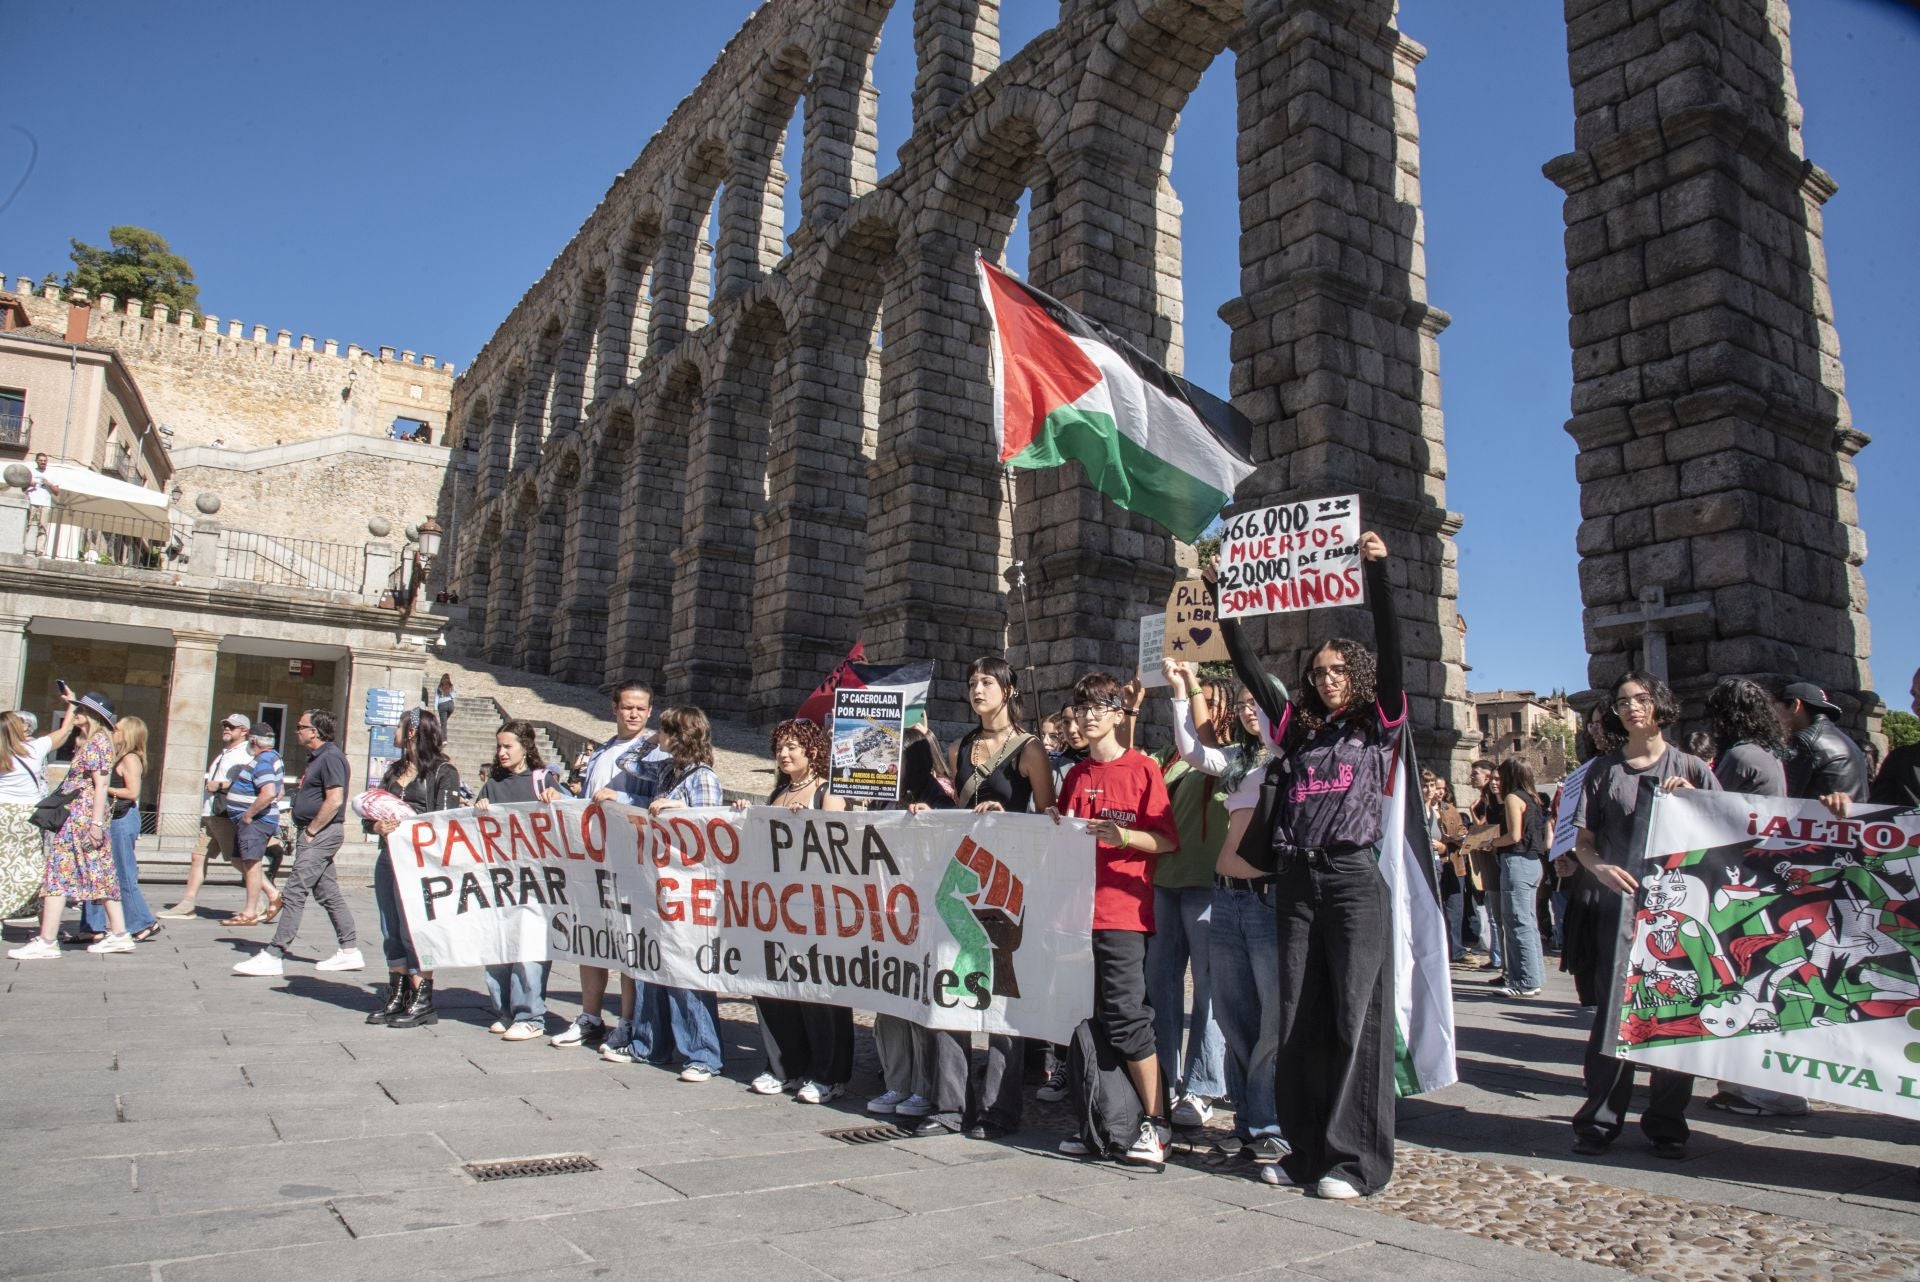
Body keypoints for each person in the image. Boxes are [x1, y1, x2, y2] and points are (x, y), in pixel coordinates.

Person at [1216, 530, 1407, 1199]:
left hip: (1352, 880)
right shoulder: (1296, 729)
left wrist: (1377, 574)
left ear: (1358, 677)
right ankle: (1305, 1152)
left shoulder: (1377, 723)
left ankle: (1355, 1161)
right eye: (1319, 672)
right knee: (1298, 1017)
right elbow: (1246, 665)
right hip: (1297, 879)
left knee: (1354, 1016)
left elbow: (1392, 645)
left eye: (1338, 671)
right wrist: (1226, 598)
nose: (1327, 680)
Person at [1568, 670, 1719, 1160]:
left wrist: (1695, 802)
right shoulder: (1603, 770)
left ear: (1660, 705)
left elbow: (1728, 831)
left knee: (1673, 1012)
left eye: (1640, 698)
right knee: (1614, 1015)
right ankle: (1600, 1119)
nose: (1631, 707)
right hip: (1620, 909)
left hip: (1677, 910)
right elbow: (1583, 843)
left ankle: (1667, 1122)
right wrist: (1600, 868)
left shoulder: (1691, 767)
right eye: (1622, 701)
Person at [917, 657, 1055, 1141]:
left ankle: (1000, 1107)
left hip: (1007, 883)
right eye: (972, 682)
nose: (977, 689)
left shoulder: (1029, 749)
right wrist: (929, 810)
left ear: (1009, 690)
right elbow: (954, 807)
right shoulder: (959, 747)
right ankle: (950, 1105)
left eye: (987, 682)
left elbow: (1051, 819)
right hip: (960, 879)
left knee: (1002, 995)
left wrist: (1010, 817)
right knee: (950, 985)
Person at [1166, 657, 1292, 1177]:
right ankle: (1248, 1119)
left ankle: (1270, 1121)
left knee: (1270, 1019)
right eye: (1241, 703)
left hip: (1266, 898)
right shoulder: (1240, 759)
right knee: (1234, 1014)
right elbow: (1193, 752)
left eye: (1256, 702)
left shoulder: (1288, 757)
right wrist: (1181, 689)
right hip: (1226, 895)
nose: (1246, 710)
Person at [1051, 670, 1178, 1167]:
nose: (1087, 717)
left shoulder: (1142, 769)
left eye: (1097, 707)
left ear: (1117, 713)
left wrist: (1121, 836)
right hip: (1076, 915)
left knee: (1127, 1018)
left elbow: (1165, 840)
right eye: (1081, 708)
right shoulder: (1076, 776)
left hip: (1123, 914)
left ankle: (1157, 1123)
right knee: (1090, 1018)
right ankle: (1104, 1120)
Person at [1683, 676, 1811, 1119]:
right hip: (1761, 878)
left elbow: (1714, 812)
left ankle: (1760, 1090)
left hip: (1740, 881)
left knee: (1743, 982)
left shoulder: (1740, 757)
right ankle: (1768, 1086)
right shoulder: (1769, 755)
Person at [551, 682, 668, 1057]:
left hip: (630, 857)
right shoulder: (601, 751)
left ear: (649, 711)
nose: (634, 713)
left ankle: (628, 1021)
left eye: (641, 708)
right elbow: (589, 802)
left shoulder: (656, 753)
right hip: (592, 855)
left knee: (628, 941)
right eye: (628, 707)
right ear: (614, 708)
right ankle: (590, 1016)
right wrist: (560, 798)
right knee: (591, 937)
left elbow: (661, 802)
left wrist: (623, 796)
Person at [742, 718, 853, 1103]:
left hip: (819, 907)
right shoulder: (778, 792)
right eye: (780, 747)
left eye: (792, 746)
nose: (784, 754)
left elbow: (841, 843)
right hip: (779, 907)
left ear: (812, 750)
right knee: (776, 986)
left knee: (820, 992)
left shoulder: (828, 791)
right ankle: (786, 1066)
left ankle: (829, 1074)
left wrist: (811, 823)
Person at [1146, 661, 1229, 1130]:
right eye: (1203, 701)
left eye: (1212, 704)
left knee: (1209, 991)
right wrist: (1133, 709)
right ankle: (1162, 1076)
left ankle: (1202, 1085)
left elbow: (1205, 746)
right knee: (1160, 984)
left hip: (1208, 883)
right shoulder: (1170, 756)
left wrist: (1188, 686)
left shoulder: (1231, 757)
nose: (1206, 710)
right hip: (1166, 880)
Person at [233, 710, 362, 977]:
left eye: (301, 726)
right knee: (328, 893)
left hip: (321, 833)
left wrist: (312, 831)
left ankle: (274, 953)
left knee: (294, 891)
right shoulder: (317, 757)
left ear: (314, 732)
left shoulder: (331, 757)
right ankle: (350, 951)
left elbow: (335, 799)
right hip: (315, 832)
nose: (297, 731)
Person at [639, 706, 728, 1082]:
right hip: (662, 884)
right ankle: (655, 1045)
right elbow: (630, 763)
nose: (660, 735)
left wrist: (682, 808)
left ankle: (703, 1054)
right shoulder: (666, 770)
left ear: (682, 736)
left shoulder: (702, 777)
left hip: (691, 889)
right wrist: (650, 740)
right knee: (655, 965)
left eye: (665, 730)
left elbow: (712, 832)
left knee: (687, 971)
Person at [10, 692, 130, 958]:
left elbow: (101, 785)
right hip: (81, 816)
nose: (75, 713)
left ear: (92, 715)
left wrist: (96, 823)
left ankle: (47, 941)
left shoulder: (97, 742)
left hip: (82, 817)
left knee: (58, 873)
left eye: (80, 710)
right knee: (98, 873)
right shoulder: (94, 741)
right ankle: (119, 933)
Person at [365, 709, 463, 1028]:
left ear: (411, 732)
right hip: (389, 857)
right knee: (390, 927)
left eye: (399, 725)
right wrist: (376, 825)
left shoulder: (443, 771)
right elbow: (371, 810)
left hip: (419, 863)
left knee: (415, 928)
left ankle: (423, 998)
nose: (394, 731)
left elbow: (445, 821)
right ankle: (397, 993)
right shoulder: (393, 771)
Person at [868, 725, 946, 1121]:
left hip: (923, 916)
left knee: (918, 1002)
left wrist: (931, 821)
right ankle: (896, 1081)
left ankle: (923, 1087)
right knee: (889, 1002)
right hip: (886, 915)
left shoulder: (938, 798)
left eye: (896, 758)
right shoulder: (882, 798)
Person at [473, 720, 556, 1039]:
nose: (502, 752)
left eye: (508, 746)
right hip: (499, 877)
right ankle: (505, 1010)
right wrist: (478, 810)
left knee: (529, 946)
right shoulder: (493, 783)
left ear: (526, 747)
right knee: (498, 945)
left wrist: (556, 798)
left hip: (535, 879)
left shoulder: (542, 779)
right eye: (499, 746)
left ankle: (530, 1015)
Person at [161, 713, 255, 919]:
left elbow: (248, 783)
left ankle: (268, 896)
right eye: (225, 725)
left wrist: (220, 785)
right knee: (198, 856)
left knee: (238, 862)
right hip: (211, 813)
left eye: (232, 726)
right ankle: (187, 904)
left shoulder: (245, 754)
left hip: (224, 814)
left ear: (244, 731)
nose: (226, 728)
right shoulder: (225, 752)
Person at [79, 715, 159, 944]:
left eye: (117, 729)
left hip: (121, 819)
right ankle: (91, 926)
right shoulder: (115, 756)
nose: (113, 732)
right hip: (110, 819)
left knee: (122, 873)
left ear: (128, 734)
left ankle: (143, 922)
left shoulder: (130, 759)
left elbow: (132, 793)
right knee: (97, 872)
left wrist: (102, 788)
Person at [0, 705, 77, 919]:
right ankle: (31, 912)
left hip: (2, 814)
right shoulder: (34, 749)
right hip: (28, 816)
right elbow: (64, 731)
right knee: (32, 865)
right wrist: (71, 705)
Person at [1490, 757, 1548, 998]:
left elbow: (1513, 836)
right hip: (1533, 862)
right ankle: (1534, 977)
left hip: (1517, 861)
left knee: (1516, 923)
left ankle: (1524, 981)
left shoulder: (1513, 798)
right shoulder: (1533, 798)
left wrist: (1491, 842)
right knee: (1528, 922)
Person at [222, 723, 286, 926]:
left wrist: (249, 815)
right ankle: (273, 894)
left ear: (254, 740)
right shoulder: (273, 758)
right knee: (238, 860)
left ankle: (249, 913)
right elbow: (280, 791)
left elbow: (269, 792)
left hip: (255, 821)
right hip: (254, 820)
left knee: (251, 864)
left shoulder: (264, 760)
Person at [1776, 680, 1869, 804]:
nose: (1772, 716)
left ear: (1795, 706)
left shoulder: (1805, 741)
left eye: (1775, 707)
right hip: (1850, 815)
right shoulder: (1847, 741)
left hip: (1817, 815)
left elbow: (1785, 796)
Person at [1871, 666, 1920, 808]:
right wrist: (1846, 808)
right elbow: (1875, 813)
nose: (1915, 705)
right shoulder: (1901, 760)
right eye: (1915, 695)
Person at [24, 452, 58, 556]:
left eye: (45, 461)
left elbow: (57, 492)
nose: (43, 462)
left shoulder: (51, 474)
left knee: (42, 528)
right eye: (41, 460)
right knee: (27, 525)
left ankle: (39, 551)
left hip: (45, 504)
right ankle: (23, 547)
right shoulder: (30, 472)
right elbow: (22, 487)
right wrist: (29, 483)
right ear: (36, 461)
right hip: (31, 501)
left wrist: (49, 484)